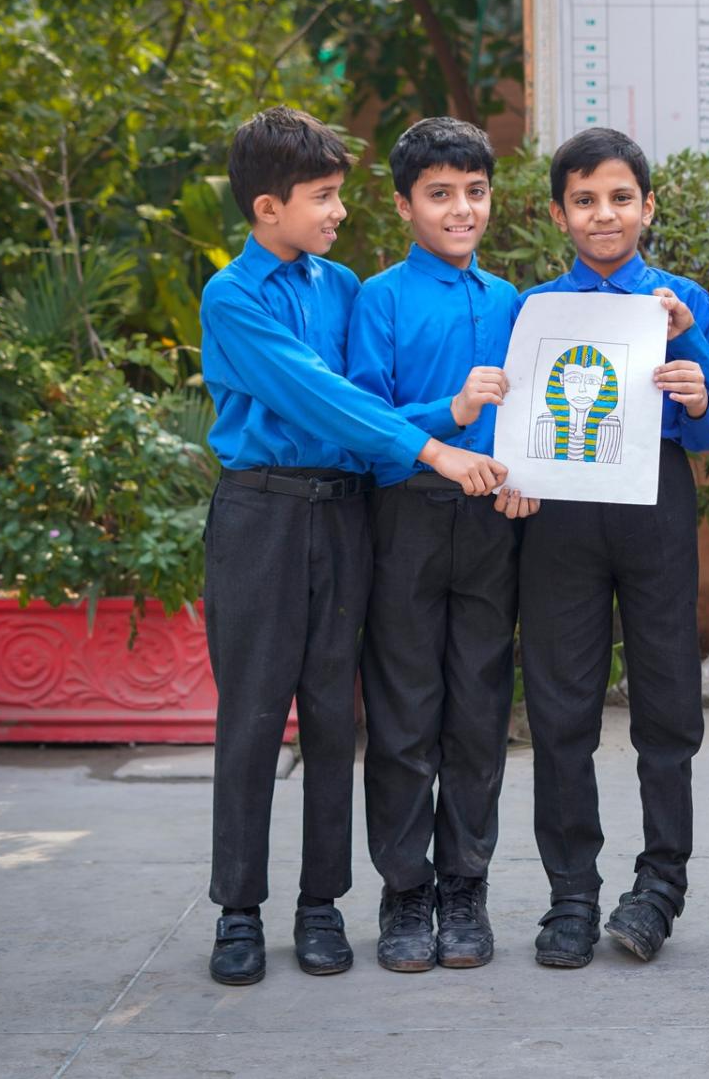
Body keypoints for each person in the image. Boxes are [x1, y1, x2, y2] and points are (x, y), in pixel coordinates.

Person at [199, 107, 503, 987]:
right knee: (255, 718)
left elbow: (364, 405)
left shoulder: (342, 289)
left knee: (338, 715)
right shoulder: (234, 296)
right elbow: (318, 397)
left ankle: (321, 904)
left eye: (337, 197)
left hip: (344, 517)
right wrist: (436, 441)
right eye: (323, 198)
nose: (337, 213)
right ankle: (239, 910)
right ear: (268, 208)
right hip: (260, 515)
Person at [518, 126, 709, 967]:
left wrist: (689, 358)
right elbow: (517, 425)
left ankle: (659, 885)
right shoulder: (537, 310)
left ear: (649, 206)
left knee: (667, 707)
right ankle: (570, 893)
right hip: (561, 519)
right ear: (558, 214)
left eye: (619, 198)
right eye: (584, 200)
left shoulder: (680, 298)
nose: (603, 215)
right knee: (561, 707)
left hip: (654, 504)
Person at [345, 116, 532, 975]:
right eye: (441, 195)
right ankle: (402, 891)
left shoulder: (513, 304)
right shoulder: (377, 298)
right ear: (403, 206)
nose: (462, 210)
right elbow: (363, 424)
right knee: (404, 715)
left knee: (479, 714)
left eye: (476, 192)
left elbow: (539, 417)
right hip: (407, 519)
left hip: (494, 524)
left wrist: (530, 467)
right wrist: (449, 415)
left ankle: (466, 886)